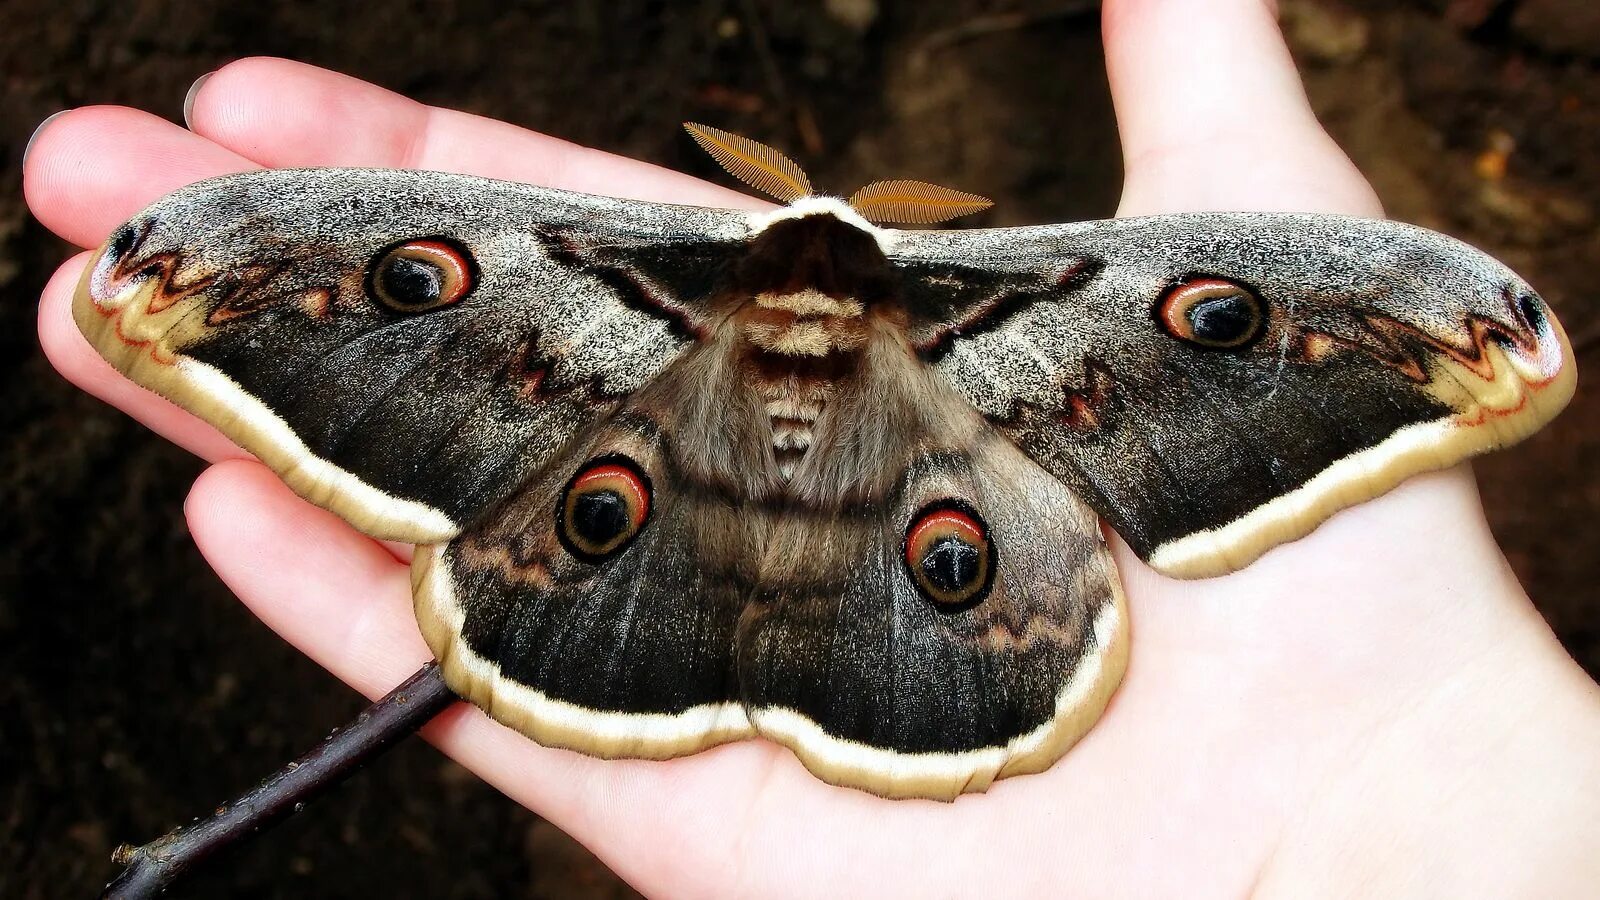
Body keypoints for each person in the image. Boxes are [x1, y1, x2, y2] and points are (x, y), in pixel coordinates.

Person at [24, 0, 1600, 895]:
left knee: (585, 509)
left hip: (673, 480)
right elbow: (343, 271)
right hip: (928, 487)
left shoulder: (595, 274)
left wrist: (1414, 329)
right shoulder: (1034, 296)